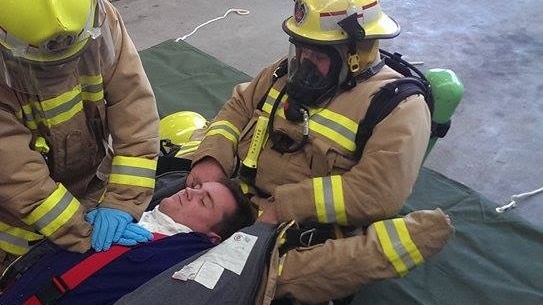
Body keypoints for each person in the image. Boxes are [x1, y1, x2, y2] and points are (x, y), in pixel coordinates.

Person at [185, 0, 454, 303]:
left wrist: (286, 206)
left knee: (256, 276)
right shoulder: (284, 73)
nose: (303, 58)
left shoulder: (399, 108)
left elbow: (376, 192)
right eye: (300, 47)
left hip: (298, 237)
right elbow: (239, 107)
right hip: (235, 201)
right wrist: (212, 159)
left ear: (356, 53)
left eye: (317, 52)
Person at [0, 0, 160, 271]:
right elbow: (16, 175)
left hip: (92, 191)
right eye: (42, 67)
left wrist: (122, 202)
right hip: (16, 227)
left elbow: (134, 106)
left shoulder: (98, 16)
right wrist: (82, 230)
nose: (59, 72)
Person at [0, 177, 255, 305]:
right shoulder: (129, 207)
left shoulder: (181, 258)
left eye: (204, 200)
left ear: (212, 239)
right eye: (197, 187)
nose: (190, 191)